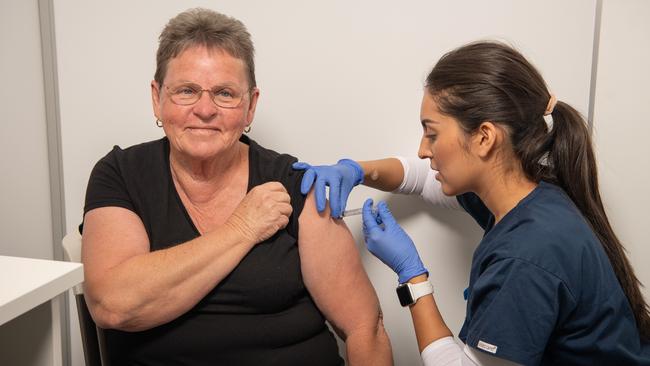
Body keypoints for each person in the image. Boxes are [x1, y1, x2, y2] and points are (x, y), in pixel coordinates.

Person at [294, 41, 650, 365]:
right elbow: (418, 177)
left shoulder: (525, 257)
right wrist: (356, 170)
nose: (422, 148)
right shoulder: (529, 194)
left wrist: (412, 278)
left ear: (484, 138)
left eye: (431, 133)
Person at [80, 8, 392, 365]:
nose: (205, 109)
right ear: (157, 97)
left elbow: (365, 328)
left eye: (225, 93)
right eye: (186, 91)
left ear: (250, 106)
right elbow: (113, 305)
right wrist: (242, 228)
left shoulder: (293, 181)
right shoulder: (121, 174)